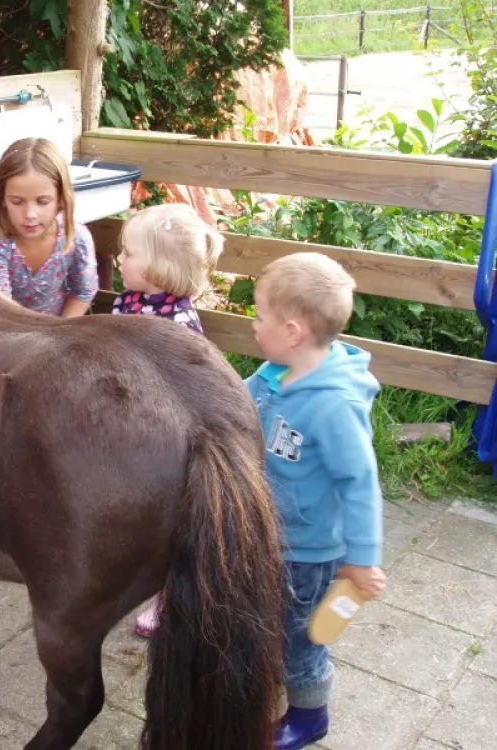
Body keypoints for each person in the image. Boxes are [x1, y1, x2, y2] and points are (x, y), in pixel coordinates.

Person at [245, 252, 388, 749]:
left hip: (308, 551)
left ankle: (309, 717)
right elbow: (240, 403)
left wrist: (362, 560)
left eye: (259, 315)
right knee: (273, 623)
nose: (252, 323)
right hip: (270, 532)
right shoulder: (272, 375)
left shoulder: (333, 405)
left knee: (301, 640)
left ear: (292, 331)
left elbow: (361, 482)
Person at [112, 203, 224, 638]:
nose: (118, 259)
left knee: (173, 523)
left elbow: (186, 388)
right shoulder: (130, 302)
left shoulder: (175, 324)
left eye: (128, 253)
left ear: (157, 269)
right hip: (133, 422)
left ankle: (171, 597)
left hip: (169, 437)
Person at [0, 137, 99, 317]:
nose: (30, 213)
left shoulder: (77, 238)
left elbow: (84, 291)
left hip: (59, 331)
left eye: (43, 201)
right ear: (2, 198)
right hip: (7, 331)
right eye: (17, 202)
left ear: (61, 199)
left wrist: (60, 332)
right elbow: (0, 306)